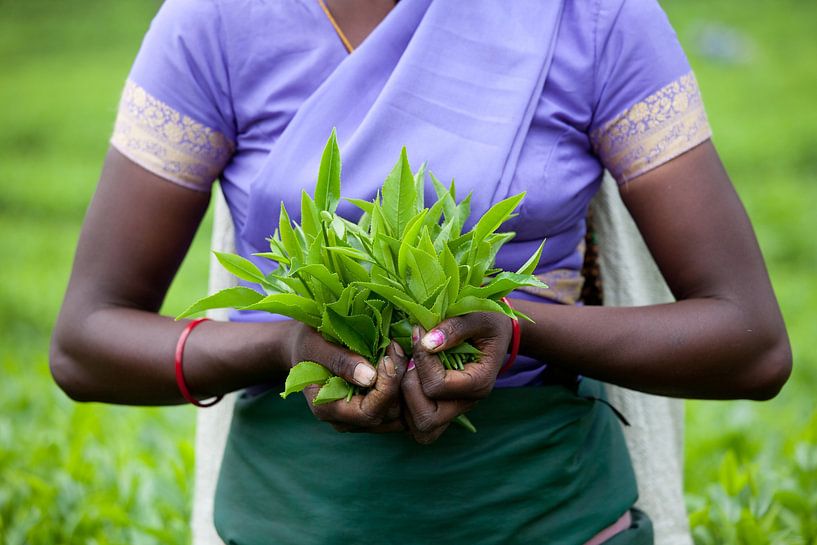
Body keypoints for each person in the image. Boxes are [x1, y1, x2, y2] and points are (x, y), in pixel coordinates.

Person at [49, 0, 791, 544]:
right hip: (290, 518)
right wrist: (281, 348)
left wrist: (520, 330)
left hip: (547, 518)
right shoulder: (214, 24)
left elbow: (749, 341)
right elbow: (86, 341)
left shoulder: (591, 18)